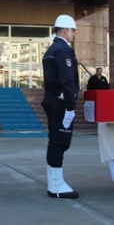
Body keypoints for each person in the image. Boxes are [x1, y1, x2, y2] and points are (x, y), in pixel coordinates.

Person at [41, 14, 80, 199]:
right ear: (65, 30)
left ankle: (55, 183)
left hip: (52, 98)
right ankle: (56, 186)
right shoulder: (63, 50)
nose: (74, 34)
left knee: (55, 140)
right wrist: (71, 107)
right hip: (61, 101)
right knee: (60, 142)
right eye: (73, 30)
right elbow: (67, 79)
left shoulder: (51, 49)